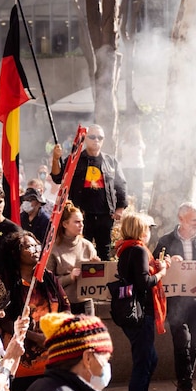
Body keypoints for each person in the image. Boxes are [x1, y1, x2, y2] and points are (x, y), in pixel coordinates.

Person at [152, 201, 196, 391]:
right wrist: (170, 262)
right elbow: (154, 266)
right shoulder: (165, 241)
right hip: (176, 301)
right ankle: (187, 386)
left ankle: (184, 380)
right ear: (181, 220)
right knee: (181, 343)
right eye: (194, 220)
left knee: (194, 345)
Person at [0, 230, 70, 391]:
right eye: (28, 246)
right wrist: (36, 337)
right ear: (15, 253)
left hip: (51, 357)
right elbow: (3, 320)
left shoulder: (49, 278)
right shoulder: (7, 282)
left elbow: (65, 307)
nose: (35, 249)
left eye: (36, 244)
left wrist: (56, 330)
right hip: (21, 362)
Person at [115, 212, 169, 391]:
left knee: (150, 359)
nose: (149, 232)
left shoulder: (127, 248)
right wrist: (162, 272)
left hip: (135, 312)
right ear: (140, 230)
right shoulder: (137, 250)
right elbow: (144, 282)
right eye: (147, 228)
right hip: (140, 313)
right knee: (143, 362)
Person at [50, 124, 127, 260]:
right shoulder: (74, 159)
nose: (96, 140)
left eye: (100, 137)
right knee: (81, 251)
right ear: (85, 138)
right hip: (81, 216)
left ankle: (104, 281)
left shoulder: (110, 161)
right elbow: (58, 178)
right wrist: (56, 159)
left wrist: (120, 208)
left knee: (105, 252)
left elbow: (121, 185)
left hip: (105, 215)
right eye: (92, 137)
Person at [47, 201, 99, 316]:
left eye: (82, 221)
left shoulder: (87, 246)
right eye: (77, 222)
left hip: (85, 302)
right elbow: (48, 282)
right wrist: (70, 277)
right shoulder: (54, 249)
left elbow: (97, 281)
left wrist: (97, 269)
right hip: (64, 304)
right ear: (65, 224)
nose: (81, 225)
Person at [117, 124, 146, 211]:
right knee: (138, 190)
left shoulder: (123, 143)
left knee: (127, 189)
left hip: (125, 167)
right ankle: (138, 208)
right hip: (138, 168)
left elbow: (120, 153)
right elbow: (144, 152)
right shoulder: (140, 143)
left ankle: (127, 207)